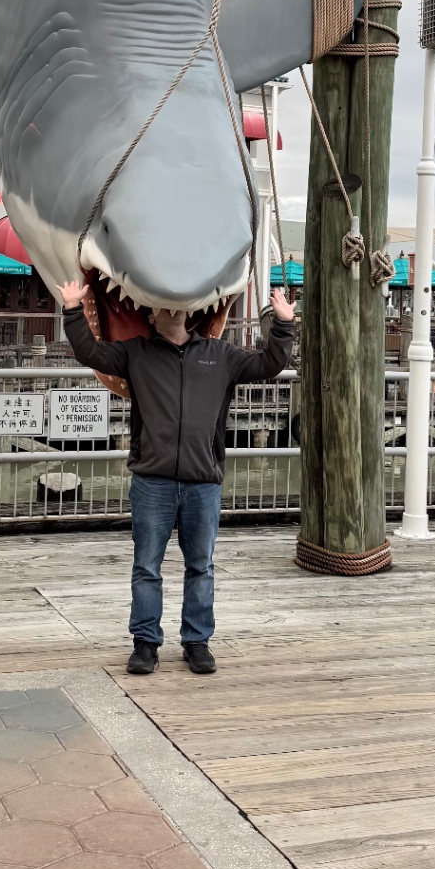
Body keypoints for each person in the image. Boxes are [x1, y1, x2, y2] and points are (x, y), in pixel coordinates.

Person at [59, 280, 295, 676]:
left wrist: (284, 324)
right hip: (152, 481)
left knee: (200, 566)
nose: (171, 309)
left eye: (178, 303)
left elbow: (269, 365)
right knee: (146, 566)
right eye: (161, 305)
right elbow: (89, 352)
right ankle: (145, 644)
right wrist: (71, 309)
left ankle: (197, 641)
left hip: (203, 482)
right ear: (150, 314)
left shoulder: (222, 355)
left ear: (192, 312)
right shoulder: (135, 354)